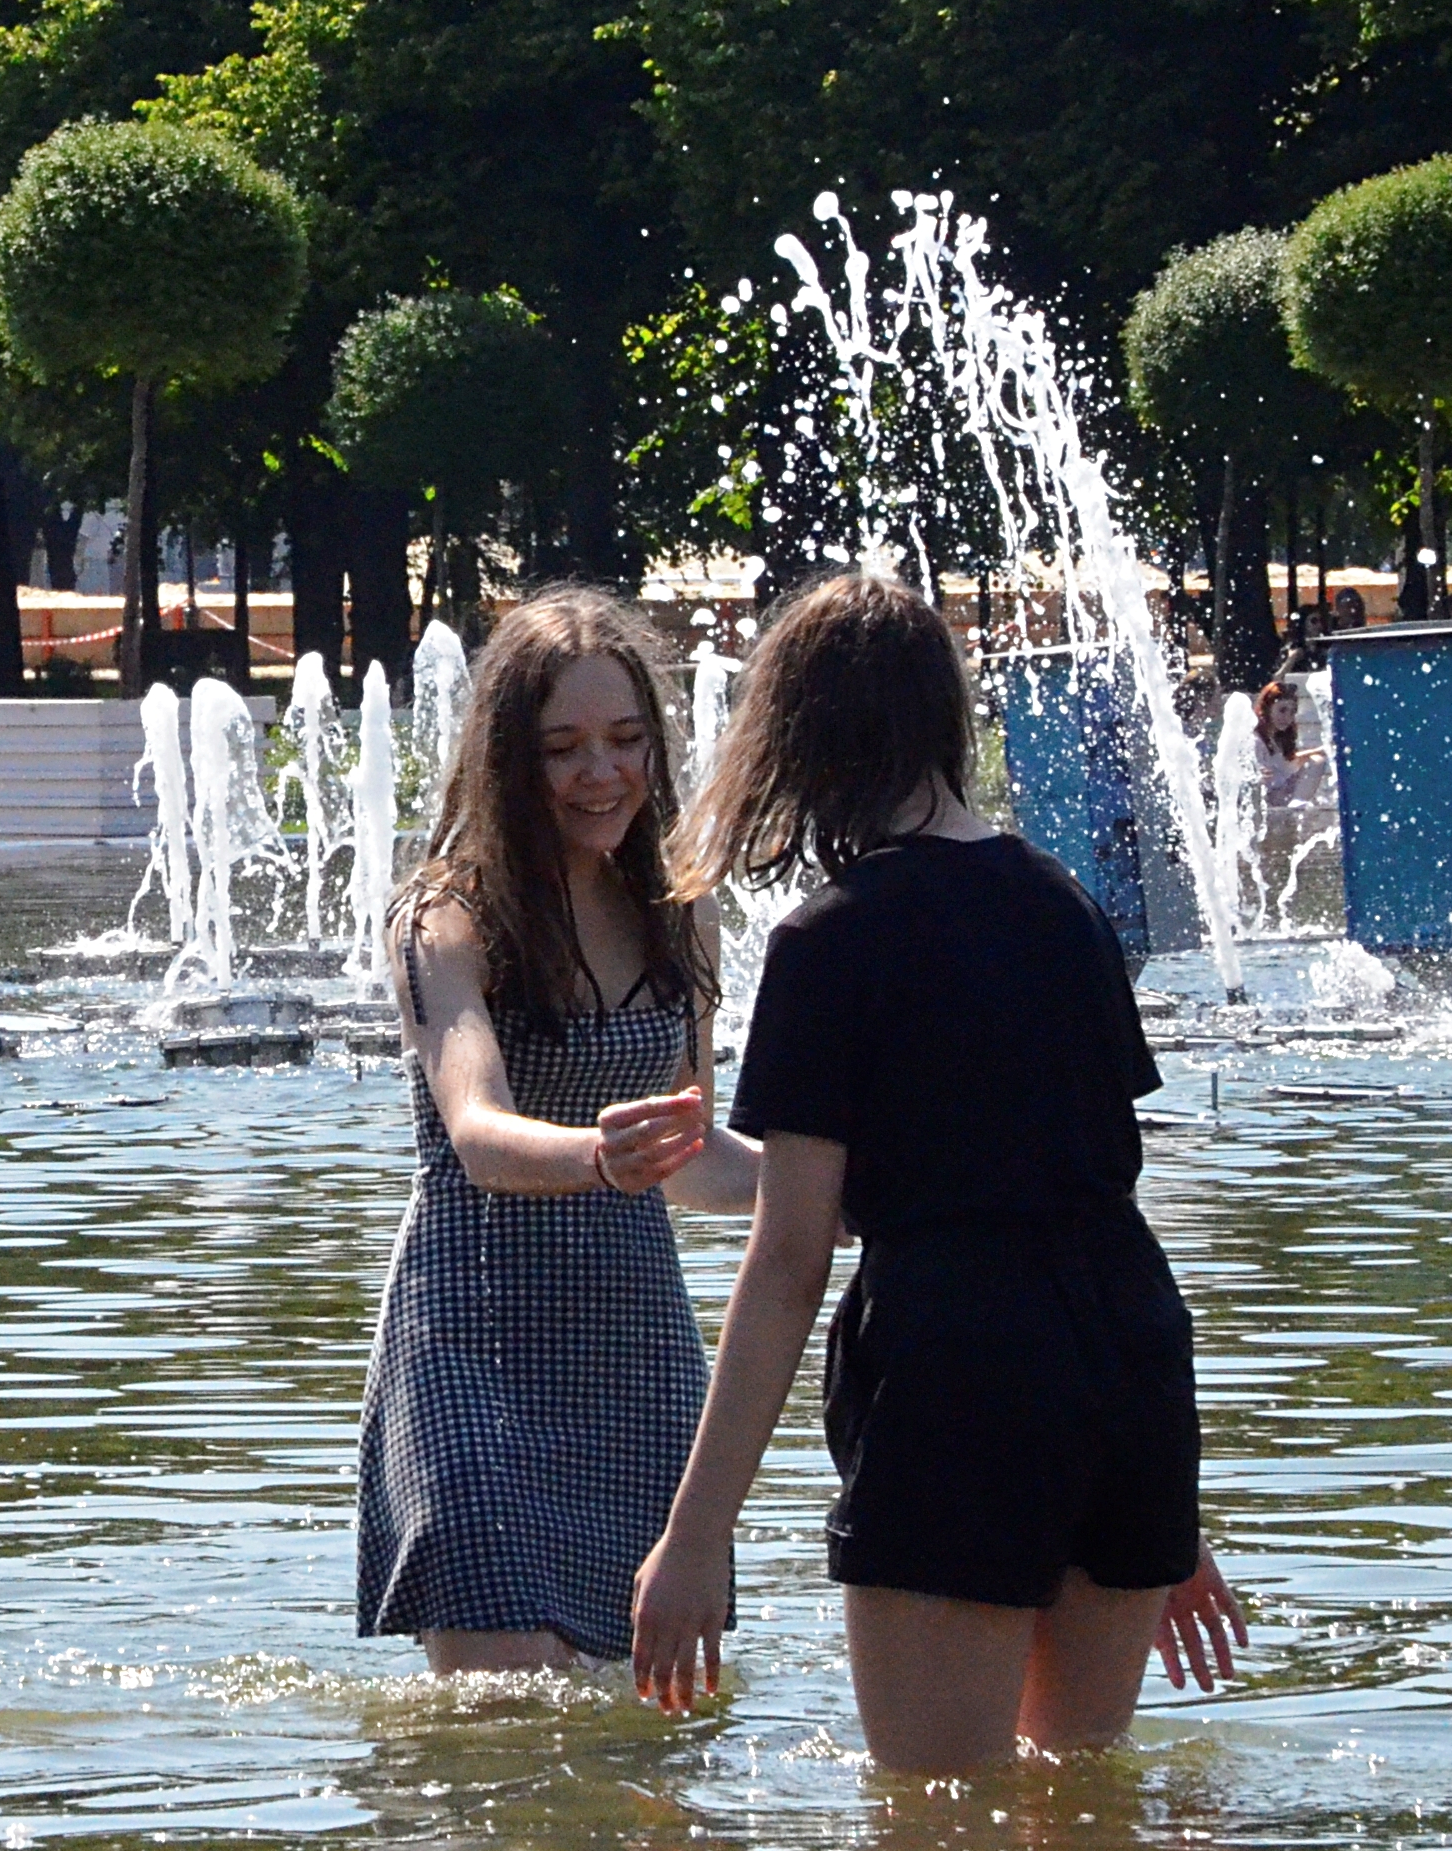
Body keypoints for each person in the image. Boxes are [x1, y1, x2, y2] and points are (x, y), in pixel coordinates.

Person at [629, 571, 1245, 1767]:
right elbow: (1070, 1185)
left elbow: (791, 1256)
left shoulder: (832, 939)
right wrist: (1165, 1515)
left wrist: (695, 1534)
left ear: (795, 739)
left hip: (955, 1371)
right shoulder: (1060, 904)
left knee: (929, 1823)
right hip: (1128, 1364)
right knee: (1075, 1803)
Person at [363, 588, 758, 1677]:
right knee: (502, 1734)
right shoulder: (443, 918)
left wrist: (835, 1185)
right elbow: (477, 1129)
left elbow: (695, 1155)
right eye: (563, 748)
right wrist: (596, 1154)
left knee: (649, 1728)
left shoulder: (680, 908)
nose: (601, 775)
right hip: (472, 1345)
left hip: (633, 1355)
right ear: (506, 760)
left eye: (625, 742)